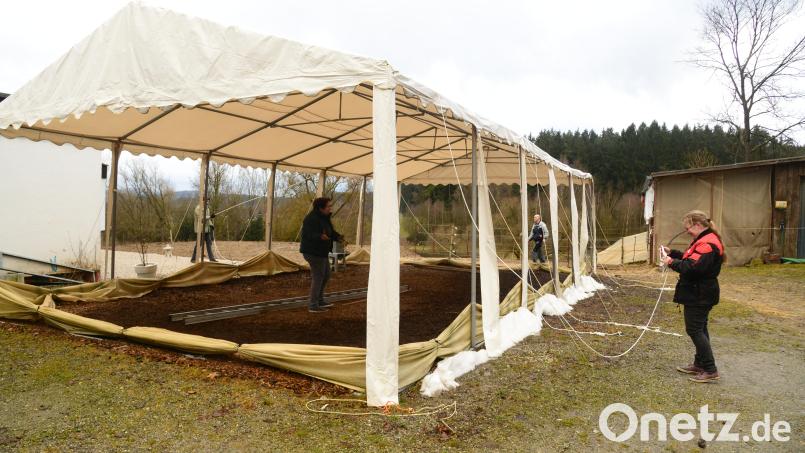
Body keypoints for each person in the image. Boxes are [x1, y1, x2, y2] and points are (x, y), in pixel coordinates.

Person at [662, 210, 725, 383]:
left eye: (688, 228)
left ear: (697, 225)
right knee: (700, 328)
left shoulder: (707, 243)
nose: (687, 231)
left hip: (700, 293)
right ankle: (700, 364)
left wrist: (670, 262)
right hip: (700, 291)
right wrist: (672, 253)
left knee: (695, 329)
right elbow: (690, 258)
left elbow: (692, 268)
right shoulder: (704, 239)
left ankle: (710, 369)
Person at [300, 197, 343, 313]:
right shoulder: (311, 219)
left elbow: (331, 232)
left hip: (321, 252)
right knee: (318, 276)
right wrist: (319, 236)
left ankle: (319, 300)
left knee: (326, 275)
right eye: (328, 206)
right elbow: (308, 234)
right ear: (321, 208)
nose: (330, 208)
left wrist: (339, 237)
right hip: (312, 252)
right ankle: (313, 305)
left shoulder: (325, 218)